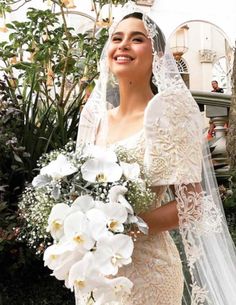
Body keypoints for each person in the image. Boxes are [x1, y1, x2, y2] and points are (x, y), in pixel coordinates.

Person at [76, 2, 236, 305]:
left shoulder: (168, 111)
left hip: (148, 274)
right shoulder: (94, 120)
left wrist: (122, 228)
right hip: (94, 271)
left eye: (137, 39)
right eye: (117, 38)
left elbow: (191, 204)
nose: (123, 45)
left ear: (157, 56)